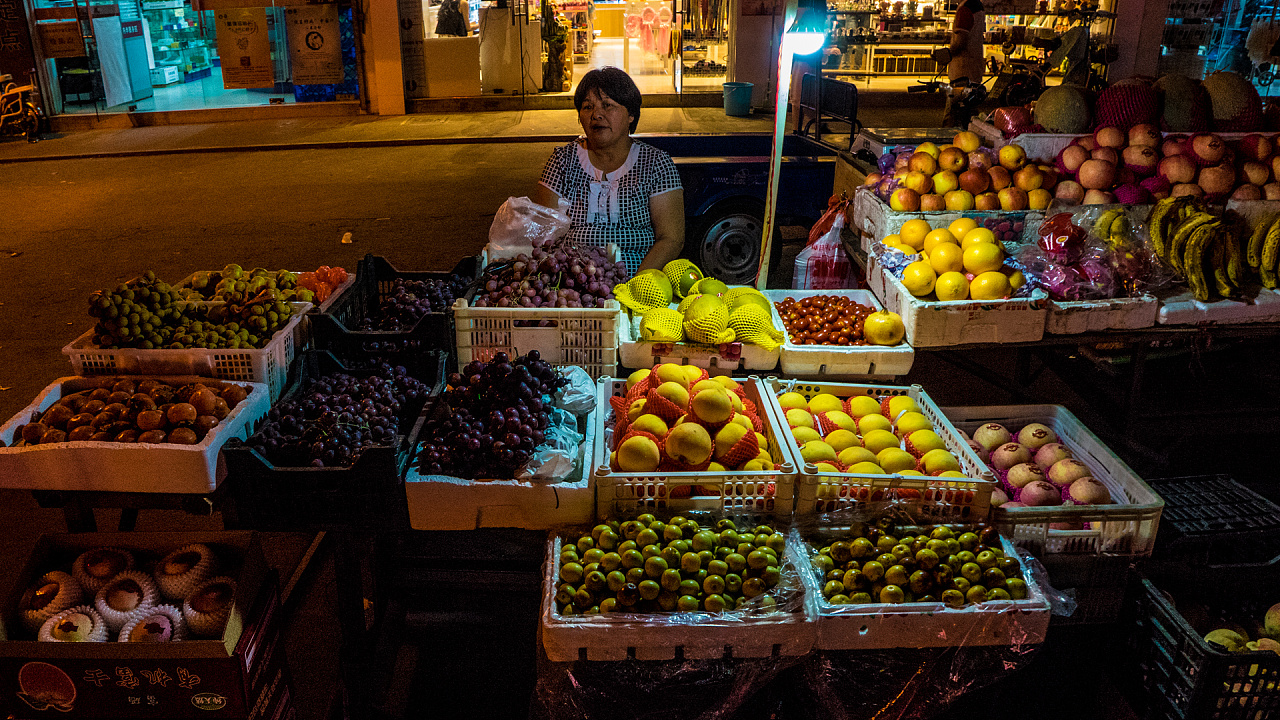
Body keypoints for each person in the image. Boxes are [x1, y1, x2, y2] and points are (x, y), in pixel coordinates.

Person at [531, 67, 685, 275]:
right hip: (572, 281)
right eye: (587, 107)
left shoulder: (656, 163)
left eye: (608, 106)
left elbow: (672, 238)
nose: (596, 115)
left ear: (631, 114)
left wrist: (637, 284)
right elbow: (544, 233)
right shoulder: (562, 161)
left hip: (638, 277)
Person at [935, 0, 986, 127]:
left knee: (953, 114)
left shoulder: (965, 8)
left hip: (962, 71)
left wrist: (947, 54)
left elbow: (961, 40)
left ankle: (949, 142)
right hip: (973, 68)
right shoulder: (977, 6)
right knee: (969, 115)